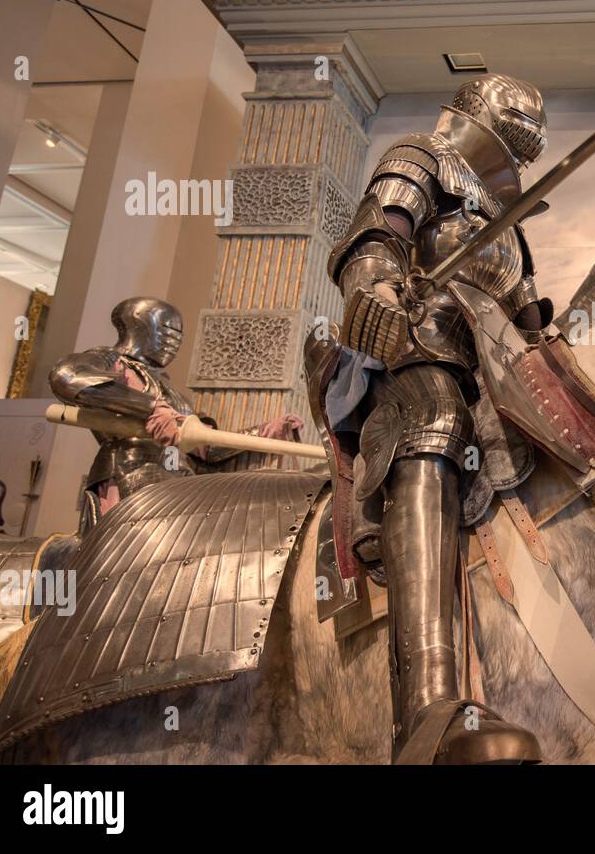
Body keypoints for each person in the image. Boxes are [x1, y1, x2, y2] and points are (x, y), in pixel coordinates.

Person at [312, 73, 552, 764]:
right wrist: (377, 286)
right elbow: (372, 240)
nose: (512, 161)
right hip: (412, 349)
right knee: (435, 415)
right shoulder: (419, 159)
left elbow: (530, 316)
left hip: (497, 373)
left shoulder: (511, 227)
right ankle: (431, 705)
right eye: (511, 143)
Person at [50, 297, 304, 532]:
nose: (174, 341)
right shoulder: (113, 361)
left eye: (178, 335)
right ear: (138, 325)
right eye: (168, 331)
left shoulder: (168, 387)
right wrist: (149, 407)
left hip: (177, 478)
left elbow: (204, 447)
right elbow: (66, 377)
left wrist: (267, 432)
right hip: (130, 469)